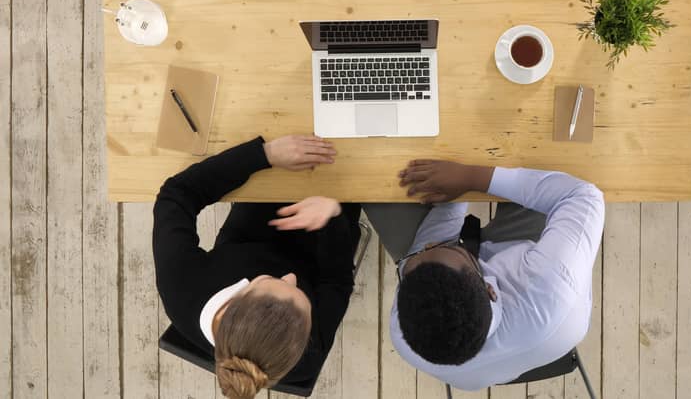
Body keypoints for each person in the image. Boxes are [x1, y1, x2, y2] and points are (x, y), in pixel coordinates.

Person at [363, 159, 605, 390]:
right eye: (451, 250)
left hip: (498, 326)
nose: (427, 247)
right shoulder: (551, 281)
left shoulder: (405, 331)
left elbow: (428, 249)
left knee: (373, 184)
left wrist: (455, 195)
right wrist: (470, 177)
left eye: (421, 260)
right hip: (527, 262)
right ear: (490, 290)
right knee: (546, 157)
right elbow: (584, 195)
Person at [153, 134, 361, 399]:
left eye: (273, 282)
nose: (291, 277)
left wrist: (265, 155)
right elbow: (336, 281)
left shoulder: (180, 286)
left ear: (237, 295)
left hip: (254, 226)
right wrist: (333, 215)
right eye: (303, 299)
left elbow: (177, 194)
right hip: (325, 240)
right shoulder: (303, 356)